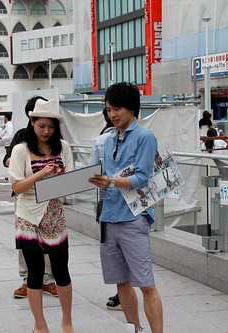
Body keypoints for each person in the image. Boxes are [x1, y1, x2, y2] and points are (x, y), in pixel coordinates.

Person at [88, 82, 163, 333]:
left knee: (146, 284)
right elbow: (105, 175)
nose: (112, 114)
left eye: (116, 108)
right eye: (109, 109)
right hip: (108, 219)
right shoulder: (108, 140)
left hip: (133, 218)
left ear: (131, 108)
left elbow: (142, 178)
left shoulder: (145, 137)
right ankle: (136, 329)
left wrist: (110, 181)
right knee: (121, 282)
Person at [9, 99, 74, 333]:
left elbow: (69, 180)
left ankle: (67, 322)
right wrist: (41, 174)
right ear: (32, 122)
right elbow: (17, 187)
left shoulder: (63, 147)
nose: (46, 131)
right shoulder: (21, 150)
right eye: (41, 126)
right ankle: (40, 325)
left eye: (51, 126)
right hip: (28, 215)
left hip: (54, 214)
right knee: (35, 273)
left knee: (61, 272)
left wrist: (59, 179)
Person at [3, 96, 58, 299]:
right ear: (31, 117)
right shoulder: (21, 138)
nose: (46, 130)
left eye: (50, 125)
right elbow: (7, 160)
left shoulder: (56, 141)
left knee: (52, 240)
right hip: (26, 196)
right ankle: (27, 280)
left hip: (50, 198)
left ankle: (48, 279)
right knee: (26, 241)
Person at [88, 108, 121, 311]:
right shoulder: (142, 137)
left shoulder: (101, 140)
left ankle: (122, 296)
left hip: (108, 204)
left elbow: (92, 172)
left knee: (114, 253)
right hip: (136, 207)